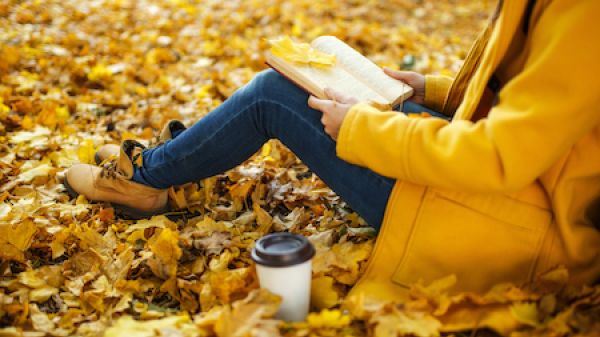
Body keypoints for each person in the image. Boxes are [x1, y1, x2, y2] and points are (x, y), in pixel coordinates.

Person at [64, 0, 600, 300]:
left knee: (274, 95)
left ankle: (142, 181)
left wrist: (361, 128)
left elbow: (498, 155)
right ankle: (168, 168)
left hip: (524, 233)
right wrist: (427, 89)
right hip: (522, 200)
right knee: (306, 82)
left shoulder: (582, 15)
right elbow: (529, 109)